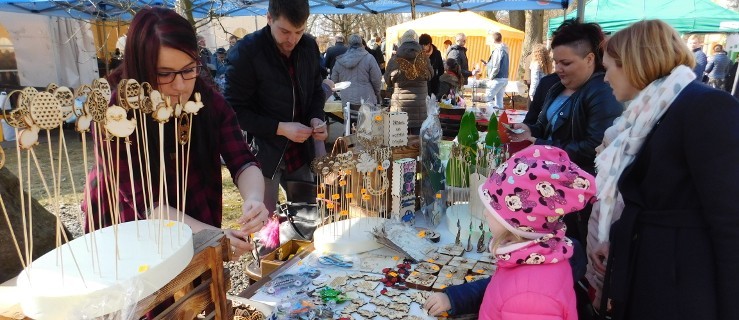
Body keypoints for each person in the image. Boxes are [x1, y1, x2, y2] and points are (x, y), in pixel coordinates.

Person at [82, 7, 269, 260]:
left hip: (191, 196)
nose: (180, 85)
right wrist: (211, 235)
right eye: (165, 74)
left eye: (188, 69)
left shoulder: (206, 101)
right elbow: (148, 204)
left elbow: (243, 159)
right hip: (133, 218)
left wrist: (255, 199)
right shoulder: (115, 116)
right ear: (141, 67)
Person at [588, 19, 739, 320]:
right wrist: (616, 241)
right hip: (652, 270)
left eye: (609, 68)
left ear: (634, 63)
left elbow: (730, 218)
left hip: (681, 285)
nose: (605, 79)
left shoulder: (705, 106)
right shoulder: (648, 113)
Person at [508, 21, 622, 301]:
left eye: (566, 63)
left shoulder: (601, 92)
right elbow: (544, 125)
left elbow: (593, 147)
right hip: (549, 188)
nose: (558, 68)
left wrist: (542, 144)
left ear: (590, 59)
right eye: (556, 61)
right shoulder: (556, 87)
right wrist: (530, 131)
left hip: (577, 198)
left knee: (569, 258)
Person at [424, 146, 597, 319]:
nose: (485, 213)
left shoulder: (530, 296)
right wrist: (456, 298)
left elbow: (517, 295)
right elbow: (502, 290)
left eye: (492, 207)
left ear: (517, 221)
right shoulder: (534, 257)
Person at [225, 0, 327, 215]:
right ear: (269, 18)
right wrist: (279, 127)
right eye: (285, 31)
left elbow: (317, 91)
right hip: (264, 154)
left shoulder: (308, 46)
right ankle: (266, 249)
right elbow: (234, 111)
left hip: (300, 152)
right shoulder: (247, 52)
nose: (292, 40)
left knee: (307, 216)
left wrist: (316, 117)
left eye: (299, 31)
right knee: (264, 223)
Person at [384, 29, 433, 134]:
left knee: (399, 145)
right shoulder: (424, 58)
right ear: (417, 41)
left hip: (399, 106)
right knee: (418, 144)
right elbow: (430, 75)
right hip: (420, 106)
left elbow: (387, 80)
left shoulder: (394, 59)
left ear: (402, 42)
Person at [330, 34, 382, 105]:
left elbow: (334, 81)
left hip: (347, 101)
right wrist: (377, 93)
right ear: (361, 44)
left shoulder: (340, 61)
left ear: (348, 44)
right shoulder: (369, 58)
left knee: (349, 115)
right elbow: (377, 79)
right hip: (367, 99)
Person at [484, 32, 510, 111]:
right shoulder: (504, 49)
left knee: (487, 98)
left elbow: (496, 66)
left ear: (493, 40)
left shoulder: (498, 50)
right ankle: (498, 119)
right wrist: (488, 64)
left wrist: (490, 77)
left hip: (497, 78)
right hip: (503, 78)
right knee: (499, 102)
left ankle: (491, 117)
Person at [419, 33, 444, 99]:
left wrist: (438, 79)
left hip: (434, 82)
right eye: (421, 45)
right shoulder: (418, 53)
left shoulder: (436, 53)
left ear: (429, 44)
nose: (423, 47)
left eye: (425, 45)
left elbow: (441, 68)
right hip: (422, 82)